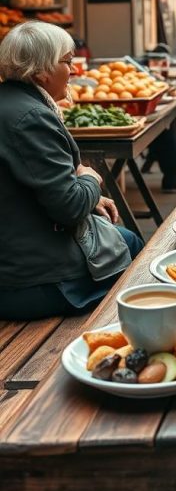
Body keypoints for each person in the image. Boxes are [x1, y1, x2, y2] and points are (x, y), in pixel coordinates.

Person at [0, 22, 142, 320]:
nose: (75, 70)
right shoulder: (31, 117)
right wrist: (90, 179)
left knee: (123, 236)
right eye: (67, 61)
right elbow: (70, 207)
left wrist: (86, 192)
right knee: (135, 245)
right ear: (41, 71)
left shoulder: (14, 103)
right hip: (29, 282)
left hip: (16, 256)